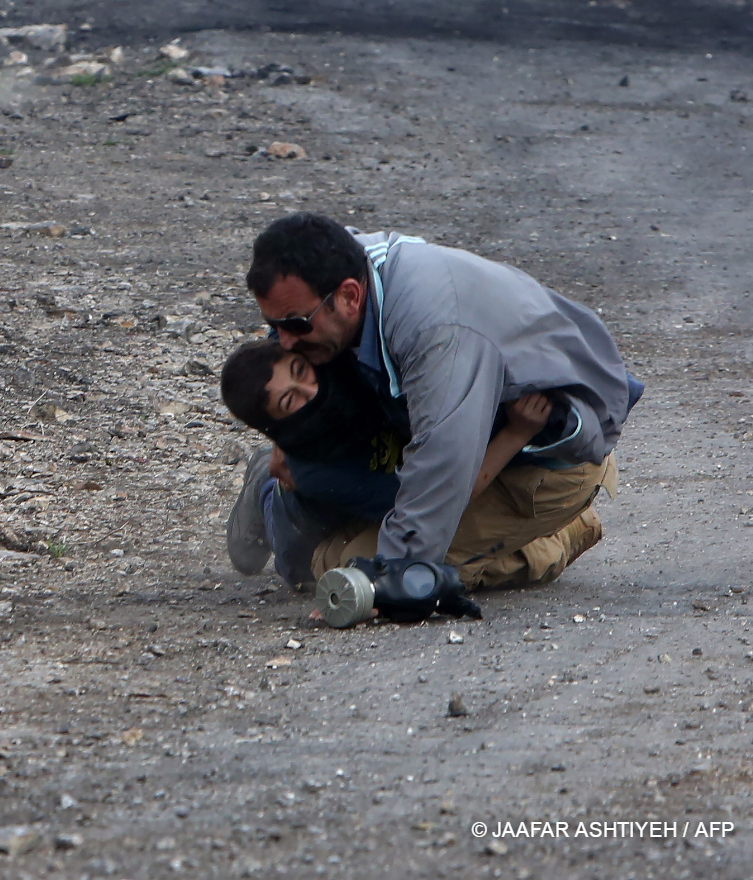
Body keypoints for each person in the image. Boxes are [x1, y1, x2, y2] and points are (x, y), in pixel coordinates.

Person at [226, 213, 643, 611]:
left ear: (350, 296)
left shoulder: (438, 336)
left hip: (540, 468)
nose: (282, 341)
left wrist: (389, 583)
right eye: (274, 325)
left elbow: (443, 468)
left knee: (342, 568)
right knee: (367, 537)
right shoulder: (343, 262)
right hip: (457, 443)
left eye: (294, 326)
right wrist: (279, 430)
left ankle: (561, 533)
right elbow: (293, 317)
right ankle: (284, 501)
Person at [221, 339, 552, 584]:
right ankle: (262, 490)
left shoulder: (334, 355)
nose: (312, 389)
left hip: (378, 493)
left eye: (301, 370)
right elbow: (436, 499)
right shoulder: (314, 472)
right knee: (302, 572)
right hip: (308, 513)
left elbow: (296, 301)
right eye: (291, 400)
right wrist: (516, 434)